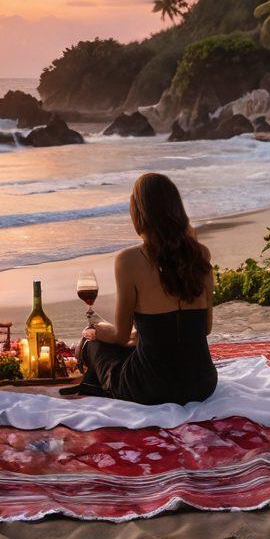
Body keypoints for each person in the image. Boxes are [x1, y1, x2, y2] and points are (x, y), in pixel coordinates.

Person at [74, 172, 217, 405]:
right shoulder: (200, 254)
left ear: (139, 212)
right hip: (202, 383)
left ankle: (91, 356)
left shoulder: (128, 260)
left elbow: (120, 335)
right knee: (136, 346)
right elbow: (206, 328)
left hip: (150, 387)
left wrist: (96, 330)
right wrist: (140, 337)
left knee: (94, 346)